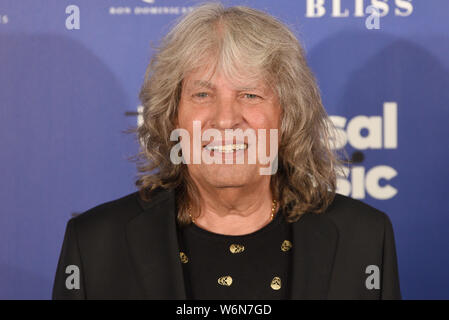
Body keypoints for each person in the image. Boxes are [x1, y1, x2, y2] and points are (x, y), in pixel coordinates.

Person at [52, 3, 401, 300]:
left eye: (250, 94)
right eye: (202, 95)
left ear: (287, 116)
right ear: (173, 117)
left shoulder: (365, 239)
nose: (225, 119)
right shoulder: (95, 244)